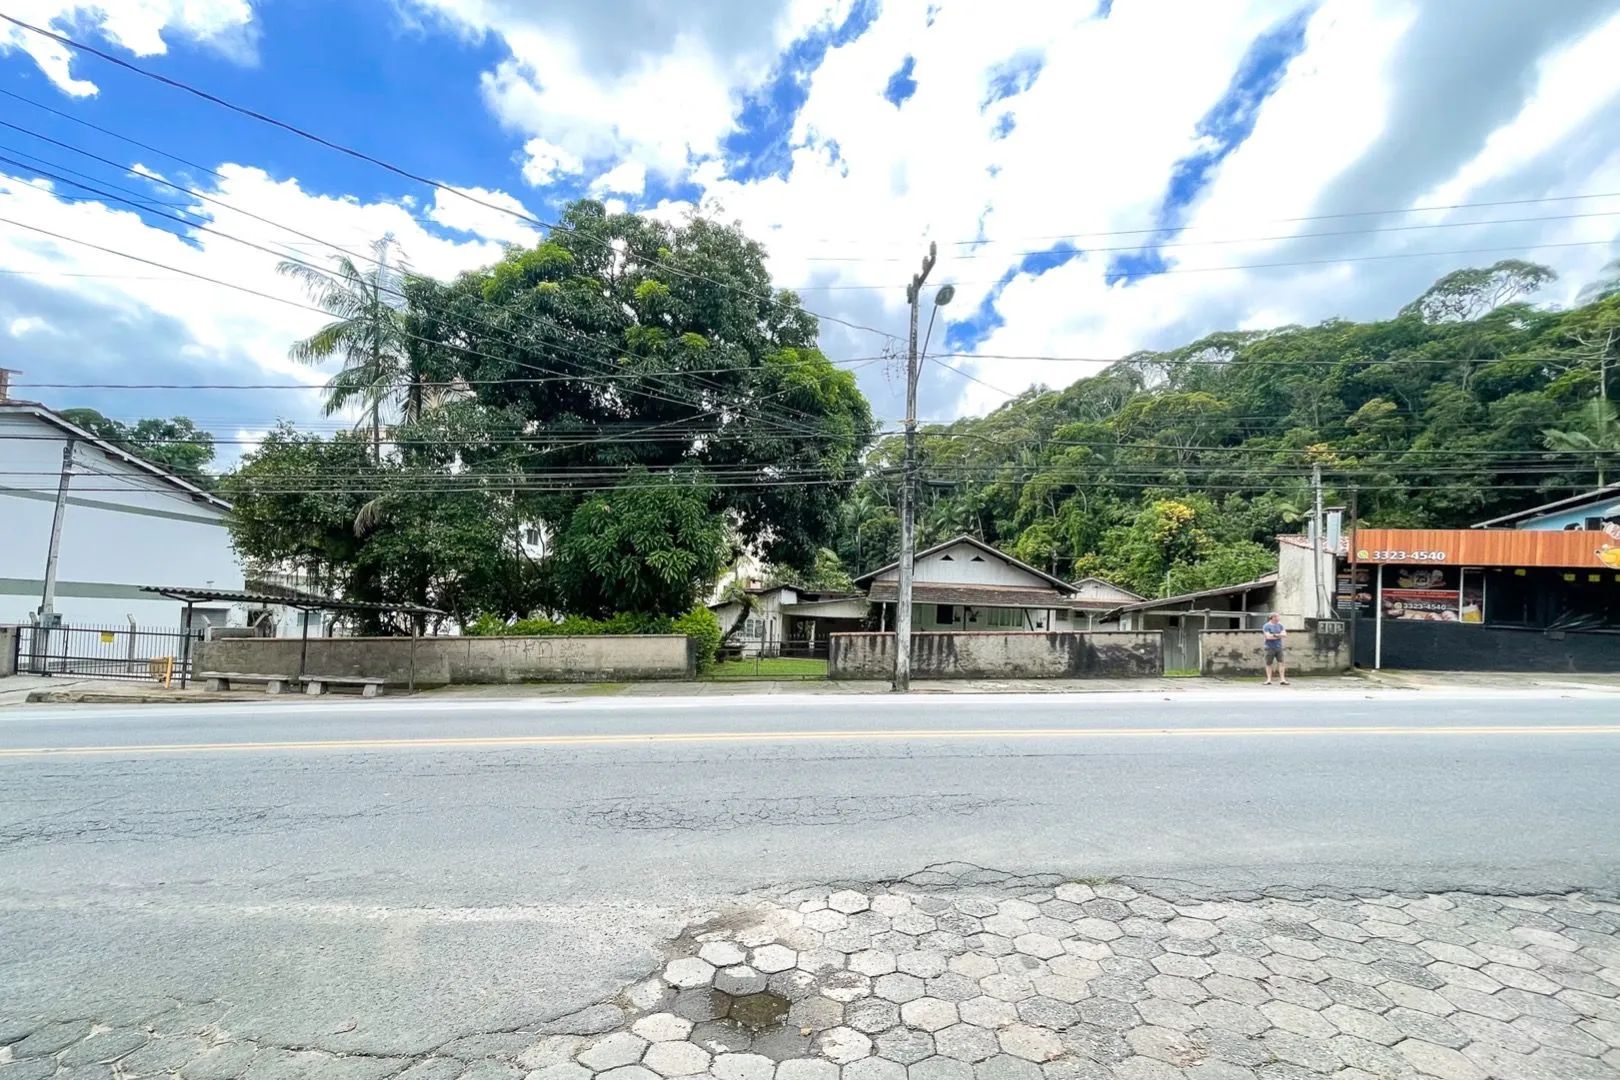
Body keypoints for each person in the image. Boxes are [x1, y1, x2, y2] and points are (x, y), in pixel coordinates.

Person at [1262, 613, 1288, 685]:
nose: (1279, 618)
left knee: (1281, 663)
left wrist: (1274, 635)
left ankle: (1282, 680)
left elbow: (1285, 635)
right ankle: (1269, 680)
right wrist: (1279, 635)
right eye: (1277, 617)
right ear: (1273, 617)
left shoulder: (1280, 625)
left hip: (1279, 647)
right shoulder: (1266, 626)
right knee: (1269, 663)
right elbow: (1268, 637)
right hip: (1269, 647)